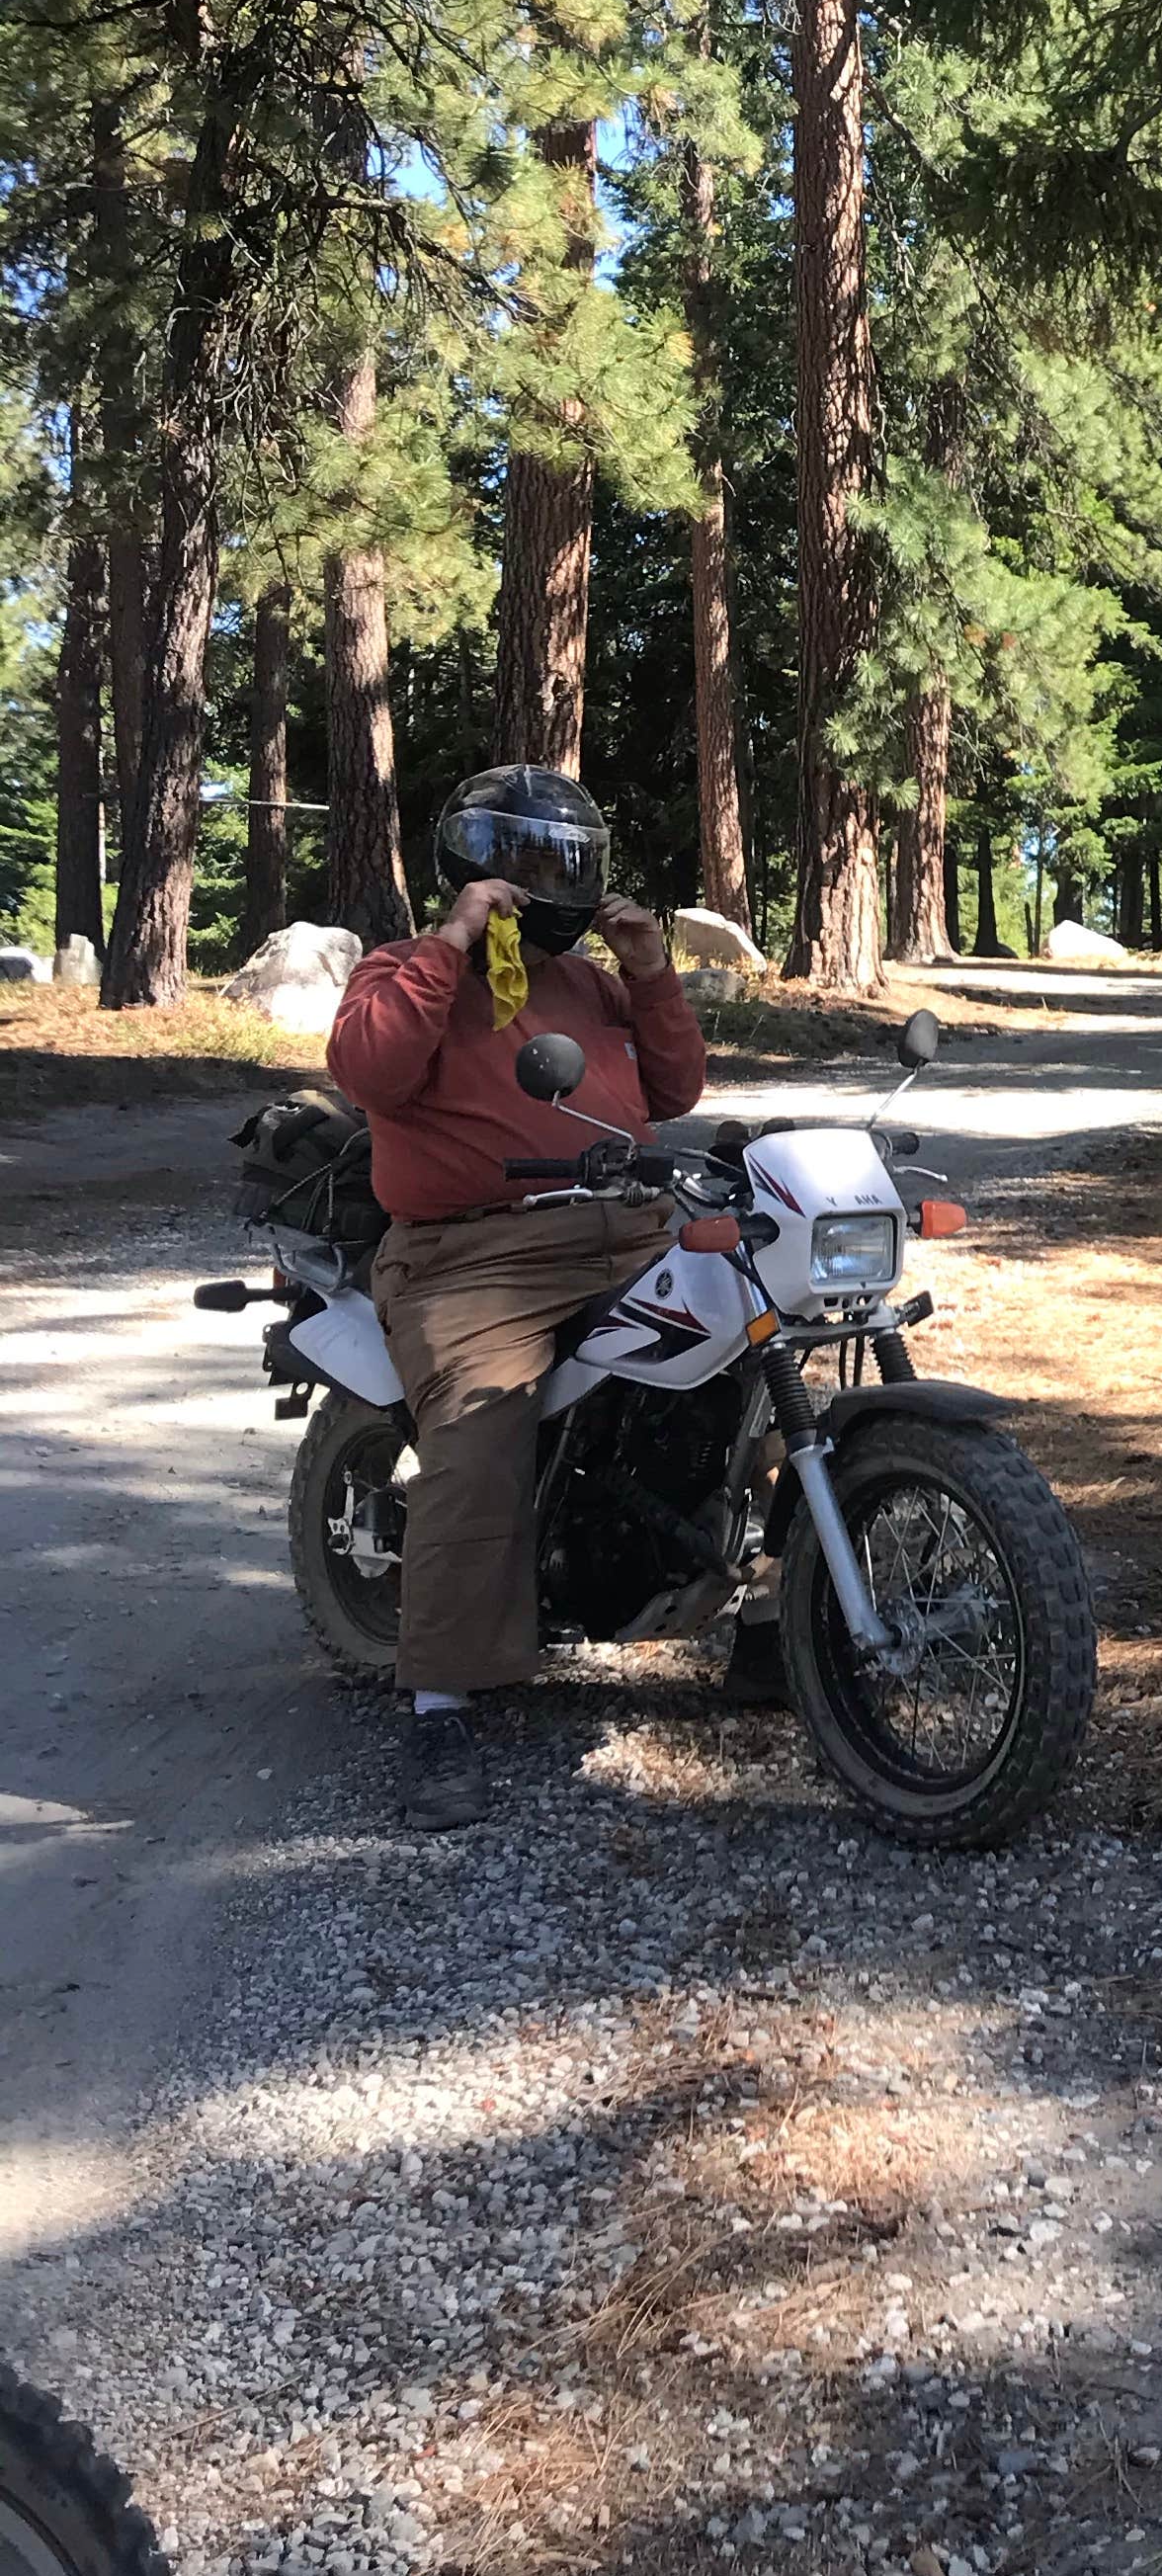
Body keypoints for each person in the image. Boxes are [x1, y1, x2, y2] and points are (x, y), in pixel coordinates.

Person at [325, 765, 706, 1832]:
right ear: (474, 867)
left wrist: (651, 973)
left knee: (754, 1354)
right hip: (471, 1257)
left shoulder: (590, 984)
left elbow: (675, 1091)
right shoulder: (403, 969)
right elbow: (369, 1070)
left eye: (567, 861)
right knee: (480, 1427)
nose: (550, 882)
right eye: (528, 862)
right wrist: (451, 942)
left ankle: (777, 1605)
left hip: (630, 1230)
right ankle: (440, 1703)